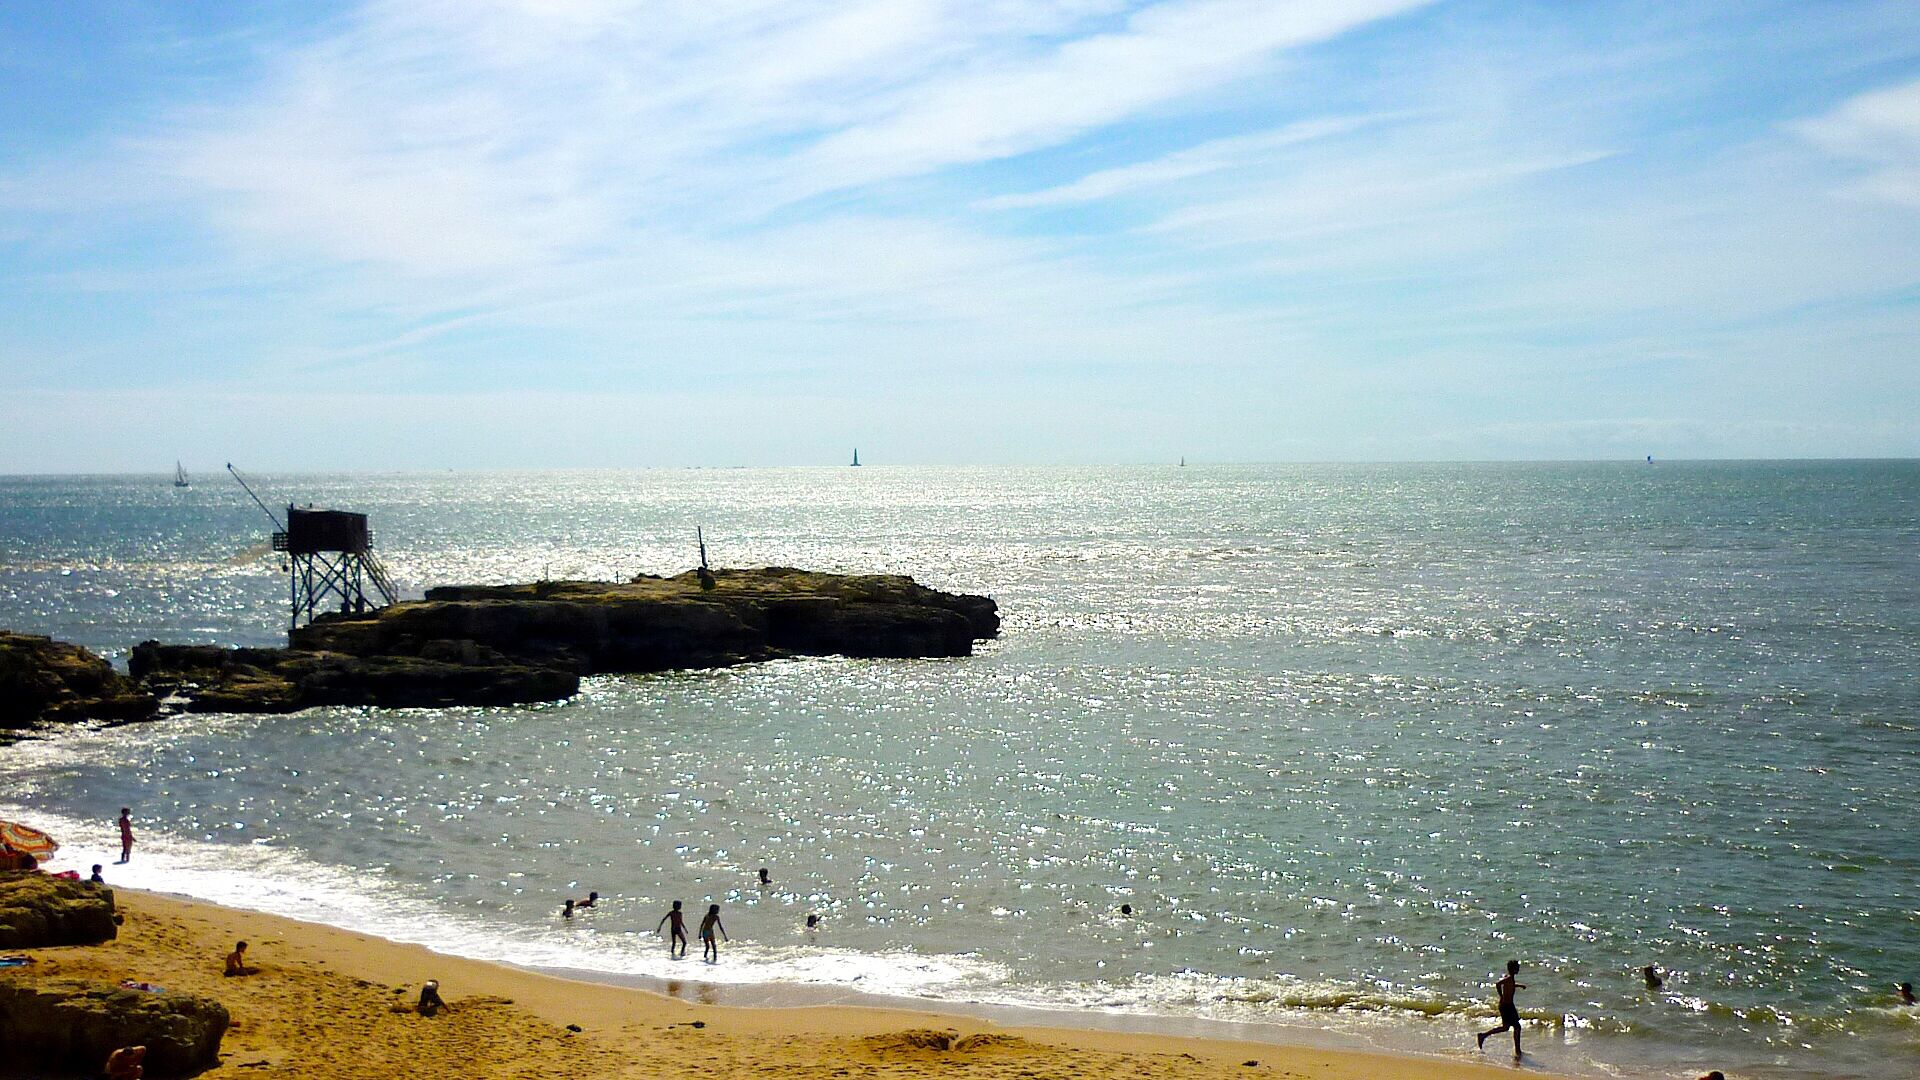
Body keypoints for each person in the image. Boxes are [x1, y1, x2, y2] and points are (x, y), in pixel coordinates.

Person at [1476, 960, 1526, 1057]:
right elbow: (1498, 984)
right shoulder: (1509, 978)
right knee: (1515, 1027)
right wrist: (1501, 996)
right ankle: (1517, 1051)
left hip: (1509, 1005)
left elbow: (1509, 985)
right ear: (1513, 969)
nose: (1518, 969)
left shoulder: (1510, 978)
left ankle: (1483, 1036)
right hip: (1506, 1006)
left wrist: (1519, 986)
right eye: (1517, 967)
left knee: (1509, 1027)